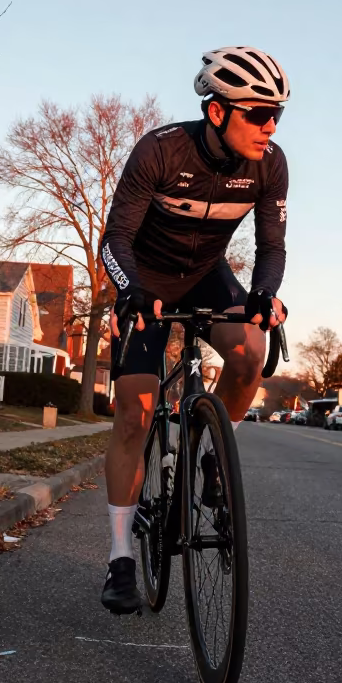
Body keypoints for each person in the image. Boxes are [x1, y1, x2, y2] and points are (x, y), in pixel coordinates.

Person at [97, 46, 291, 614]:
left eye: (277, 113)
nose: (270, 126)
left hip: (207, 276)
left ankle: (211, 451)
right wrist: (131, 292)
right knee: (134, 414)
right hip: (146, 280)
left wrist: (262, 297)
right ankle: (120, 558)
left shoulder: (270, 164)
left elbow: (271, 248)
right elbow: (115, 239)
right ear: (217, 112)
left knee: (251, 349)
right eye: (258, 113)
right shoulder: (160, 151)